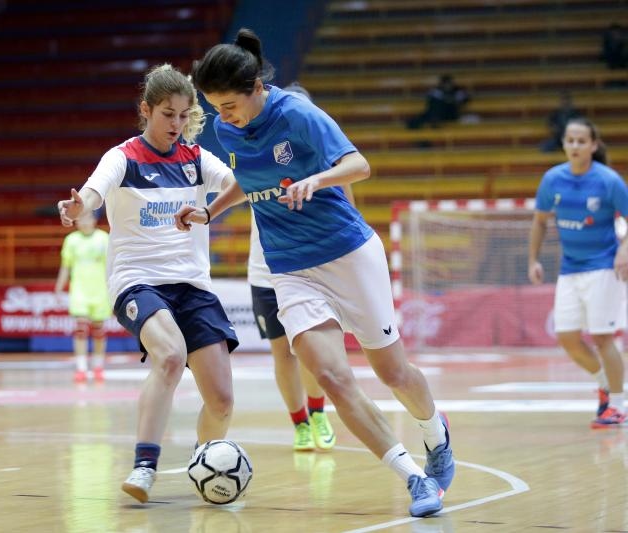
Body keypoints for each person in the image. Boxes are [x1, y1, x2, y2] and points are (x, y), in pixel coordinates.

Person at [176, 28, 454, 518]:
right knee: (330, 375)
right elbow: (248, 175)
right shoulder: (227, 128)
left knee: (392, 372)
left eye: (229, 106)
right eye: (216, 107)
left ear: (256, 87)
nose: (223, 116)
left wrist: (316, 179)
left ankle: (436, 434)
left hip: (348, 254)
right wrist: (211, 210)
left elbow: (359, 164)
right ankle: (414, 479)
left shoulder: (298, 114)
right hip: (289, 268)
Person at [56, 64, 239, 504]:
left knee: (222, 401)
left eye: (182, 115)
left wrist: (214, 207)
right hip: (138, 282)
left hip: (192, 286)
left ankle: (204, 461)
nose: (175, 125)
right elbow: (95, 193)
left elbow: (239, 185)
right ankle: (145, 464)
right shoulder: (122, 157)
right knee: (172, 356)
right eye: (167, 114)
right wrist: (80, 206)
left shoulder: (196, 159)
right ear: (146, 110)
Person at [247, 80, 338, 452]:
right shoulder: (258, 154)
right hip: (265, 270)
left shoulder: (326, 162)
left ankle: (318, 411)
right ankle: (299, 421)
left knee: (311, 349)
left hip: (310, 268)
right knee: (282, 352)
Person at [529, 117, 628, 429]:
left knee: (602, 338)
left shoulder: (609, 181)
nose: (574, 146)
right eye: (570, 140)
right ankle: (604, 383)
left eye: (581, 141)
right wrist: (533, 259)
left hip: (603, 268)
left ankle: (617, 405)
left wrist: (624, 249)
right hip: (569, 269)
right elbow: (541, 220)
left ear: (593, 145)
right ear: (564, 144)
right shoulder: (552, 180)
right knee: (568, 338)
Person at [54, 208, 110, 383]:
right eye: (80, 219)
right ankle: (81, 368)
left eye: (87, 218)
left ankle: (98, 367)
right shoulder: (71, 240)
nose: (83, 222)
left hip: (100, 291)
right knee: (80, 330)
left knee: (99, 331)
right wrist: (59, 287)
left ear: (94, 220)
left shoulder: (104, 238)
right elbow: (65, 266)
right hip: (79, 291)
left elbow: (111, 266)